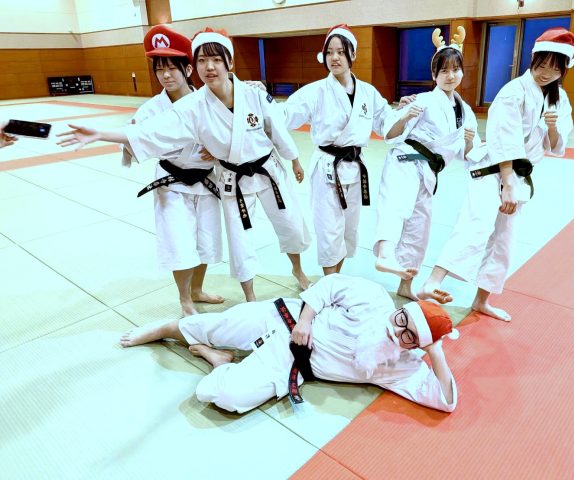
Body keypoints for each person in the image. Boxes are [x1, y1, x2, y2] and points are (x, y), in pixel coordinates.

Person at [58, 28, 312, 302]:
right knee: (239, 241)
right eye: (202, 60)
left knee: (291, 225)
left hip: (267, 170)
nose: (209, 67)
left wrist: (294, 160)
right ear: (195, 66)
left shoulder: (253, 94)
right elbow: (152, 130)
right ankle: (249, 296)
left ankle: (298, 270)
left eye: (216, 60)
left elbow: (277, 130)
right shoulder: (194, 105)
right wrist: (101, 133)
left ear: (229, 62)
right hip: (230, 178)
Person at [120, 273, 458, 414]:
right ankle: (165, 328)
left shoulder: (402, 366)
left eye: (409, 336)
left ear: (417, 347)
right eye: (402, 319)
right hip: (287, 318)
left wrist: (436, 352)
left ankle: (219, 361)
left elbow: (446, 400)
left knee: (227, 397)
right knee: (215, 325)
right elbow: (329, 285)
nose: (397, 331)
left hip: (292, 362)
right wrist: (306, 321)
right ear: (401, 309)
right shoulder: (374, 298)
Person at [417, 27, 574, 321]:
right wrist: (507, 184)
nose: (547, 73)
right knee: (476, 225)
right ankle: (432, 282)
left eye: (556, 69)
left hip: (518, 177)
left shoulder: (560, 99)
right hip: (492, 170)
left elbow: (555, 146)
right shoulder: (513, 91)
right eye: (542, 65)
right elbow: (505, 138)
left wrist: (553, 127)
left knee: (505, 240)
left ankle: (482, 300)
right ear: (533, 60)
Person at [124, 25, 224, 317]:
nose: (165, 75)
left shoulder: (211, 100)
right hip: (172, 184)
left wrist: (218, 150)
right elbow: (131, 144)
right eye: (159, 69)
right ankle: (185, 300)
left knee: (206, 240)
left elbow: (231, 135)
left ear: (187, 69)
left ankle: (198, 290)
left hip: (206, 181)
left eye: (171, 68)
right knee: (179, 242)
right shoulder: (150, 110)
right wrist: (130, 139)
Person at [374, 27, 480, 301]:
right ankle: (385, 254)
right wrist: (404, 116)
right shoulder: (422, 100)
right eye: (443, 71)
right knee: (397, 205)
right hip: (405, 161)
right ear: (434, 75)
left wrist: (469, 142)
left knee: (419, 228)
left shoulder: (466, 112)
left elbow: (469, 155)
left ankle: (406, 285)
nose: (450, 75)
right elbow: (389, 134)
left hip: (429, 172)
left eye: (455, 70)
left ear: (462, 72)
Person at [279, 24, 394, 275]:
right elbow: (284, 115)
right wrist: (259, 100)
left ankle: (336, 279)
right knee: (328, 229)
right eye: (330, 52)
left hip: (355, 167)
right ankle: (330, 284)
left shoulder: (368, 92)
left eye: (341, 52)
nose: (335, 58)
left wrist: (406, 112)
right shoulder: (315, 91)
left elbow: (388, 122)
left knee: (348, 230)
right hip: (327, 168)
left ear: (353, 54)